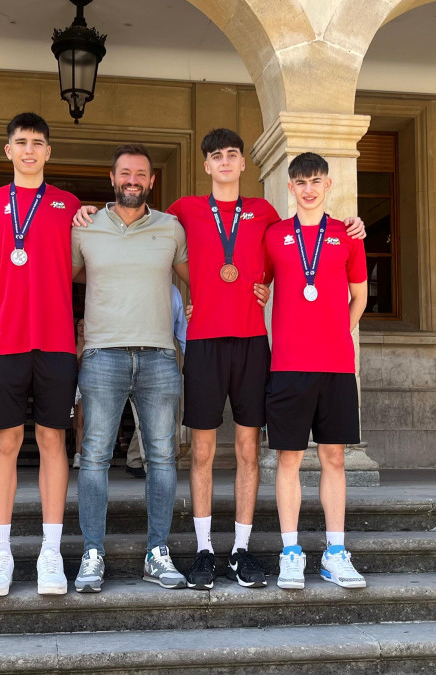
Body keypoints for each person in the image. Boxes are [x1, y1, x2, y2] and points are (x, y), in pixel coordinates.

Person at [74, 128, 366, 591]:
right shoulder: (183, 212)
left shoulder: (266, 214)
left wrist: (352, 224)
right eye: (217, 156)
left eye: (233, 154)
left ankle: (242, 550)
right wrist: (88, 211)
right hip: (204, 344)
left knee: (249, 451)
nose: (225, 162)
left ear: (243, 164)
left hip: (253, 343)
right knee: (203, 453)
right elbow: (137, 221)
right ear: (206, 165)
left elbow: (304, 239)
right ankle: (206, 550)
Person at [0, 112, 81, 598]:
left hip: (56, 344)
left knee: (54, 442)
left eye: (37, 143)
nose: (29, 150)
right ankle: (1, 553)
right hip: (3, 341)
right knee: (4, 444)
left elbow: (99, 260)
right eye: (20, 142)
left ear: (49, 152)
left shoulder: (70, 206)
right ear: (7, 151)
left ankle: (51, 552)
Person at [71, 144, 190, 593]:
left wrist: (254, 289)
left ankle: (157, 553)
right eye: (125, 173)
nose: (133, 179)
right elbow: (49, 276)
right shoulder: (85, 227)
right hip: (103, 354)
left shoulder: (171, 228)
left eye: (141, 173)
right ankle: (92, 553)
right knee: (95, 456)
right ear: (112, 177)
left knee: (161, 458)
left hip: (160, 355)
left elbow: (197, 276)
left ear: (152, 180)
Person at [262, 152, 369, 591]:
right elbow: (256, 287)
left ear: (329, 186)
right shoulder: (273, 236)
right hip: (287, 365)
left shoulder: (349, 235)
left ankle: (335, 551)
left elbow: (359, 297)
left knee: (335, 457)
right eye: (301, 181)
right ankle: (291, 552)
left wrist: (334, 334)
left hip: (336, 366)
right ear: (291, 187)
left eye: (316, 181)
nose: (308, 188)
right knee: (288, 458)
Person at [124, 284, 188, 479]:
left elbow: (183, 331)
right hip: (127, 356)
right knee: (146, 420)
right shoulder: (128, 286)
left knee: (153, 419)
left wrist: (194, 364)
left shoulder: (172, 291)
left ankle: (139, 462)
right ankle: (149, 468)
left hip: (160, 358)